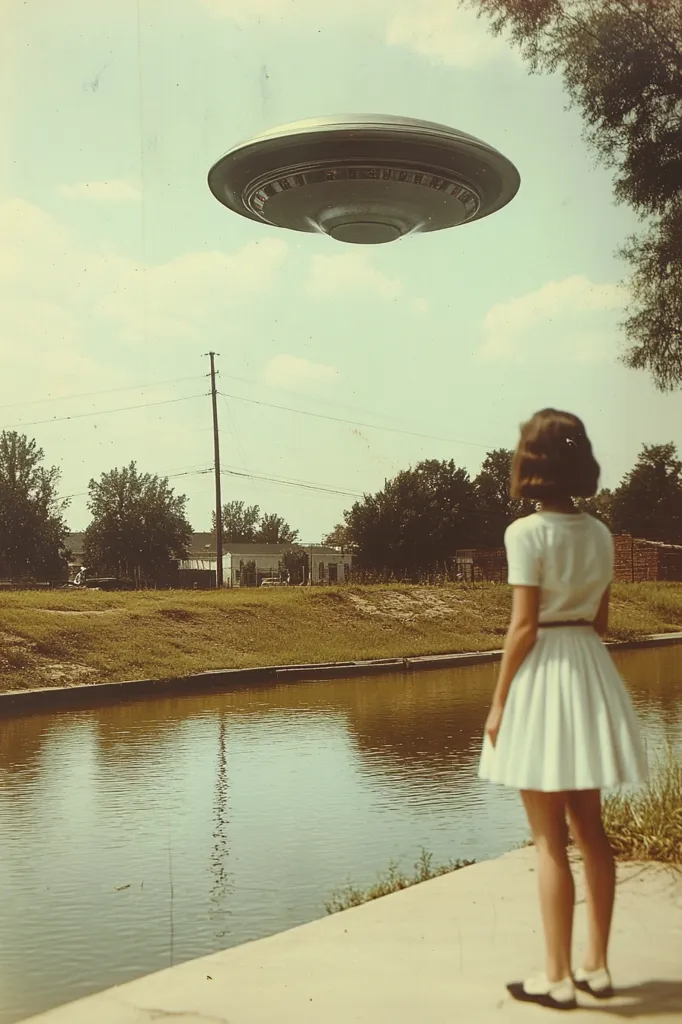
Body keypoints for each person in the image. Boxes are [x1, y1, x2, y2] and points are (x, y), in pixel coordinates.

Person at [478, 409, 648, 1011]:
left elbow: (522, 627)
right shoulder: (600, 534)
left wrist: (499, 703)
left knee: (550, 840)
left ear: (530, 463)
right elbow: (601, 620)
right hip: (588, 667)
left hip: (544, 672)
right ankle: (596, 967)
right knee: (591, 831)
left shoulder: (525, 534)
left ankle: (555, 977)